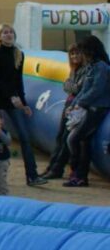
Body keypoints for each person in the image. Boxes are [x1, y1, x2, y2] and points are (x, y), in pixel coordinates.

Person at [0, 24, 46, 186]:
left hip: (13, 101)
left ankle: (32, 175)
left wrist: (23, 103)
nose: (8, 35)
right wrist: (12, 96)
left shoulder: (18, 54)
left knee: (25, 137)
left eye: (11, 32)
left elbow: (18, 81)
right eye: (5, 33)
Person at [62, 36, 110, 187]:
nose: (82, 54)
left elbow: (96, 90)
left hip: (98, 108)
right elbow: (84, 89)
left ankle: (78, 173)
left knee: (73, 139)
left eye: (83, 51)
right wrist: (74, 104)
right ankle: (79, 175)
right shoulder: (91, 66)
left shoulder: (101, 67)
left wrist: (80, 103)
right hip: (89, 107)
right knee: (83, 141)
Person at [38, 44, 82, 180]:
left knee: (65, 138)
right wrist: (71, 86)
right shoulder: (74, 70)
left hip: (76, 106)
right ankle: (52, 167)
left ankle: (57, 168)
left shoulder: (84, 70)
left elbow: (75, 88)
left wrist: (70, 86)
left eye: (77, 53)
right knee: (60, 137)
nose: (74, 56)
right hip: (69, 103)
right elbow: (67, 87)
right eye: (72, 54)